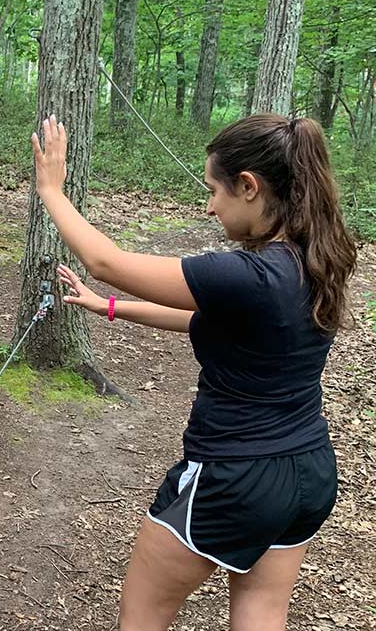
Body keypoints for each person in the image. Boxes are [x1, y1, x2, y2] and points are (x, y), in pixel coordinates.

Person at [32, 113, 356, 630]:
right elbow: (209, 319)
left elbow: (107, 260)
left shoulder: (245, 274)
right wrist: (111, 309)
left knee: (141, 619)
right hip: (309, 474)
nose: (208, 205)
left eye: (214, 190)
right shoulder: (316, 259)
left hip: (236, 476)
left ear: (248, 187)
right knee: (262, 611)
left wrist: (51, 189)